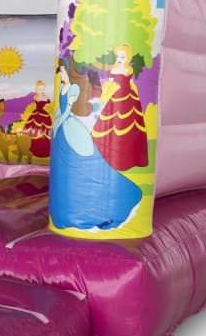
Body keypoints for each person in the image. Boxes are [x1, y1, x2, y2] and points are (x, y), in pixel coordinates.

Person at [49, 60, 142, 231]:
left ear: (68, 71)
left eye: (63, 71)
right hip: (62, 126)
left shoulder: (74, 88)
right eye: (59, 72)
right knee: (66, 163)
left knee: (81, 158)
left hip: (68, 125)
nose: (61, 74)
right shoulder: (62, 87)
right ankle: (67, 210)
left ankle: (113, 204)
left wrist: (59, 121)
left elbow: (67, 110)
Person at [91, 44, 149, 171]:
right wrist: (104, 96)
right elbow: (109, 84)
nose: (120, 59)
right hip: (118, 98)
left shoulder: (129, 70)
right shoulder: (114, 70)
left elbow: (132, 83)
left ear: (128, 58)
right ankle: (113, 157)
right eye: (118, 56)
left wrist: (136, 96)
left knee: (131, 127)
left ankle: (130, 158)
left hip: (130, 99)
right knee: (115, 124)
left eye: (123, 57)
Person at [19, 80, 53, 158]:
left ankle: (43, 149)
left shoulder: (42, 96)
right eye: (40, 89)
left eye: (43, 89)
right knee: (34, 129)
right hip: (37, 114)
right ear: (37, 89)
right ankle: (31, 147)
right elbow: (46, 101)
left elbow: (48, 102)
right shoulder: (38, 97)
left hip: (42, 114)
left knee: (44, 130)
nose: (42, 91)